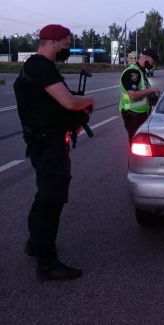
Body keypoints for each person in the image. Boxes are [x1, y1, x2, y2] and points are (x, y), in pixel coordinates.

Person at [13, 24, 95, 281]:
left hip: (42, 140)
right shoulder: (41, 67)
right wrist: (88, 101)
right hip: (48, 143)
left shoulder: (36, 67)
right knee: (52, 198)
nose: (66, 48)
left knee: (44, 194)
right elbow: (69, 101)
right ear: (50, 41)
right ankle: (47, 264)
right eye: (64, 43)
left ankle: (35, 244)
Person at [119, 48, 161, 143]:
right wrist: (151, 89)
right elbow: (132, 95)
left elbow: (144, 92)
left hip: (140, 114)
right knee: (136, 143)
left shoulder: (141, 72)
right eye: (152, 62)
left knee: (142, 143)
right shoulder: (132, 72)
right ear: (146, 57)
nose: (152, 65)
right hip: (132, 114)